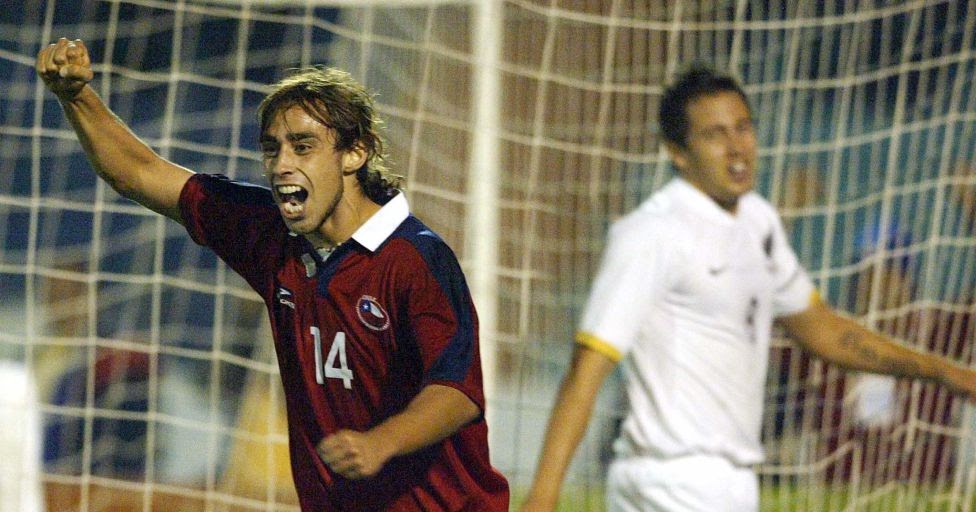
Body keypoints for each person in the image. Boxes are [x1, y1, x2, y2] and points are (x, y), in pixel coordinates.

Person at [36, 38, 509, 511]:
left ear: (356, 153)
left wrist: (378, 443)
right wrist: (77, 96)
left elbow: (457, 393)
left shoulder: (413, 259)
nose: (282, 165)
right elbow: (139, 173)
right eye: (272, 149)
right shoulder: (271, 234)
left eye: (303, 147)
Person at [518, 64, 976, 512]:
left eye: (743, 128)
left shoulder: (758, 220)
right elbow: (587, 368)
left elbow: (823, 330)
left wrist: (945, 372)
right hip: (671, 479)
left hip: (728, 482)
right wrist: (543, 495)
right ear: (678, 151)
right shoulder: (652, 234)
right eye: (715, 135)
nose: (737, 147)